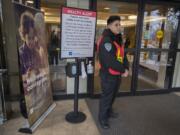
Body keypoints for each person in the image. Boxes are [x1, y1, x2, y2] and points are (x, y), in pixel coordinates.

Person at [97, 15, 129, 129]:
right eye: (116, 24)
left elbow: (122, 54)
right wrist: (123, 70)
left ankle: (109, 112)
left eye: (120, 24)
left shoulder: (117, 38)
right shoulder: (106, 40)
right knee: (106, 97)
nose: (119, 27)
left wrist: (127, 67)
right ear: (108, 25)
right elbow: (110, 60)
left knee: (113, 96)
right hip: (108, 75)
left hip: (117, 74)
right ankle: (102, 118)